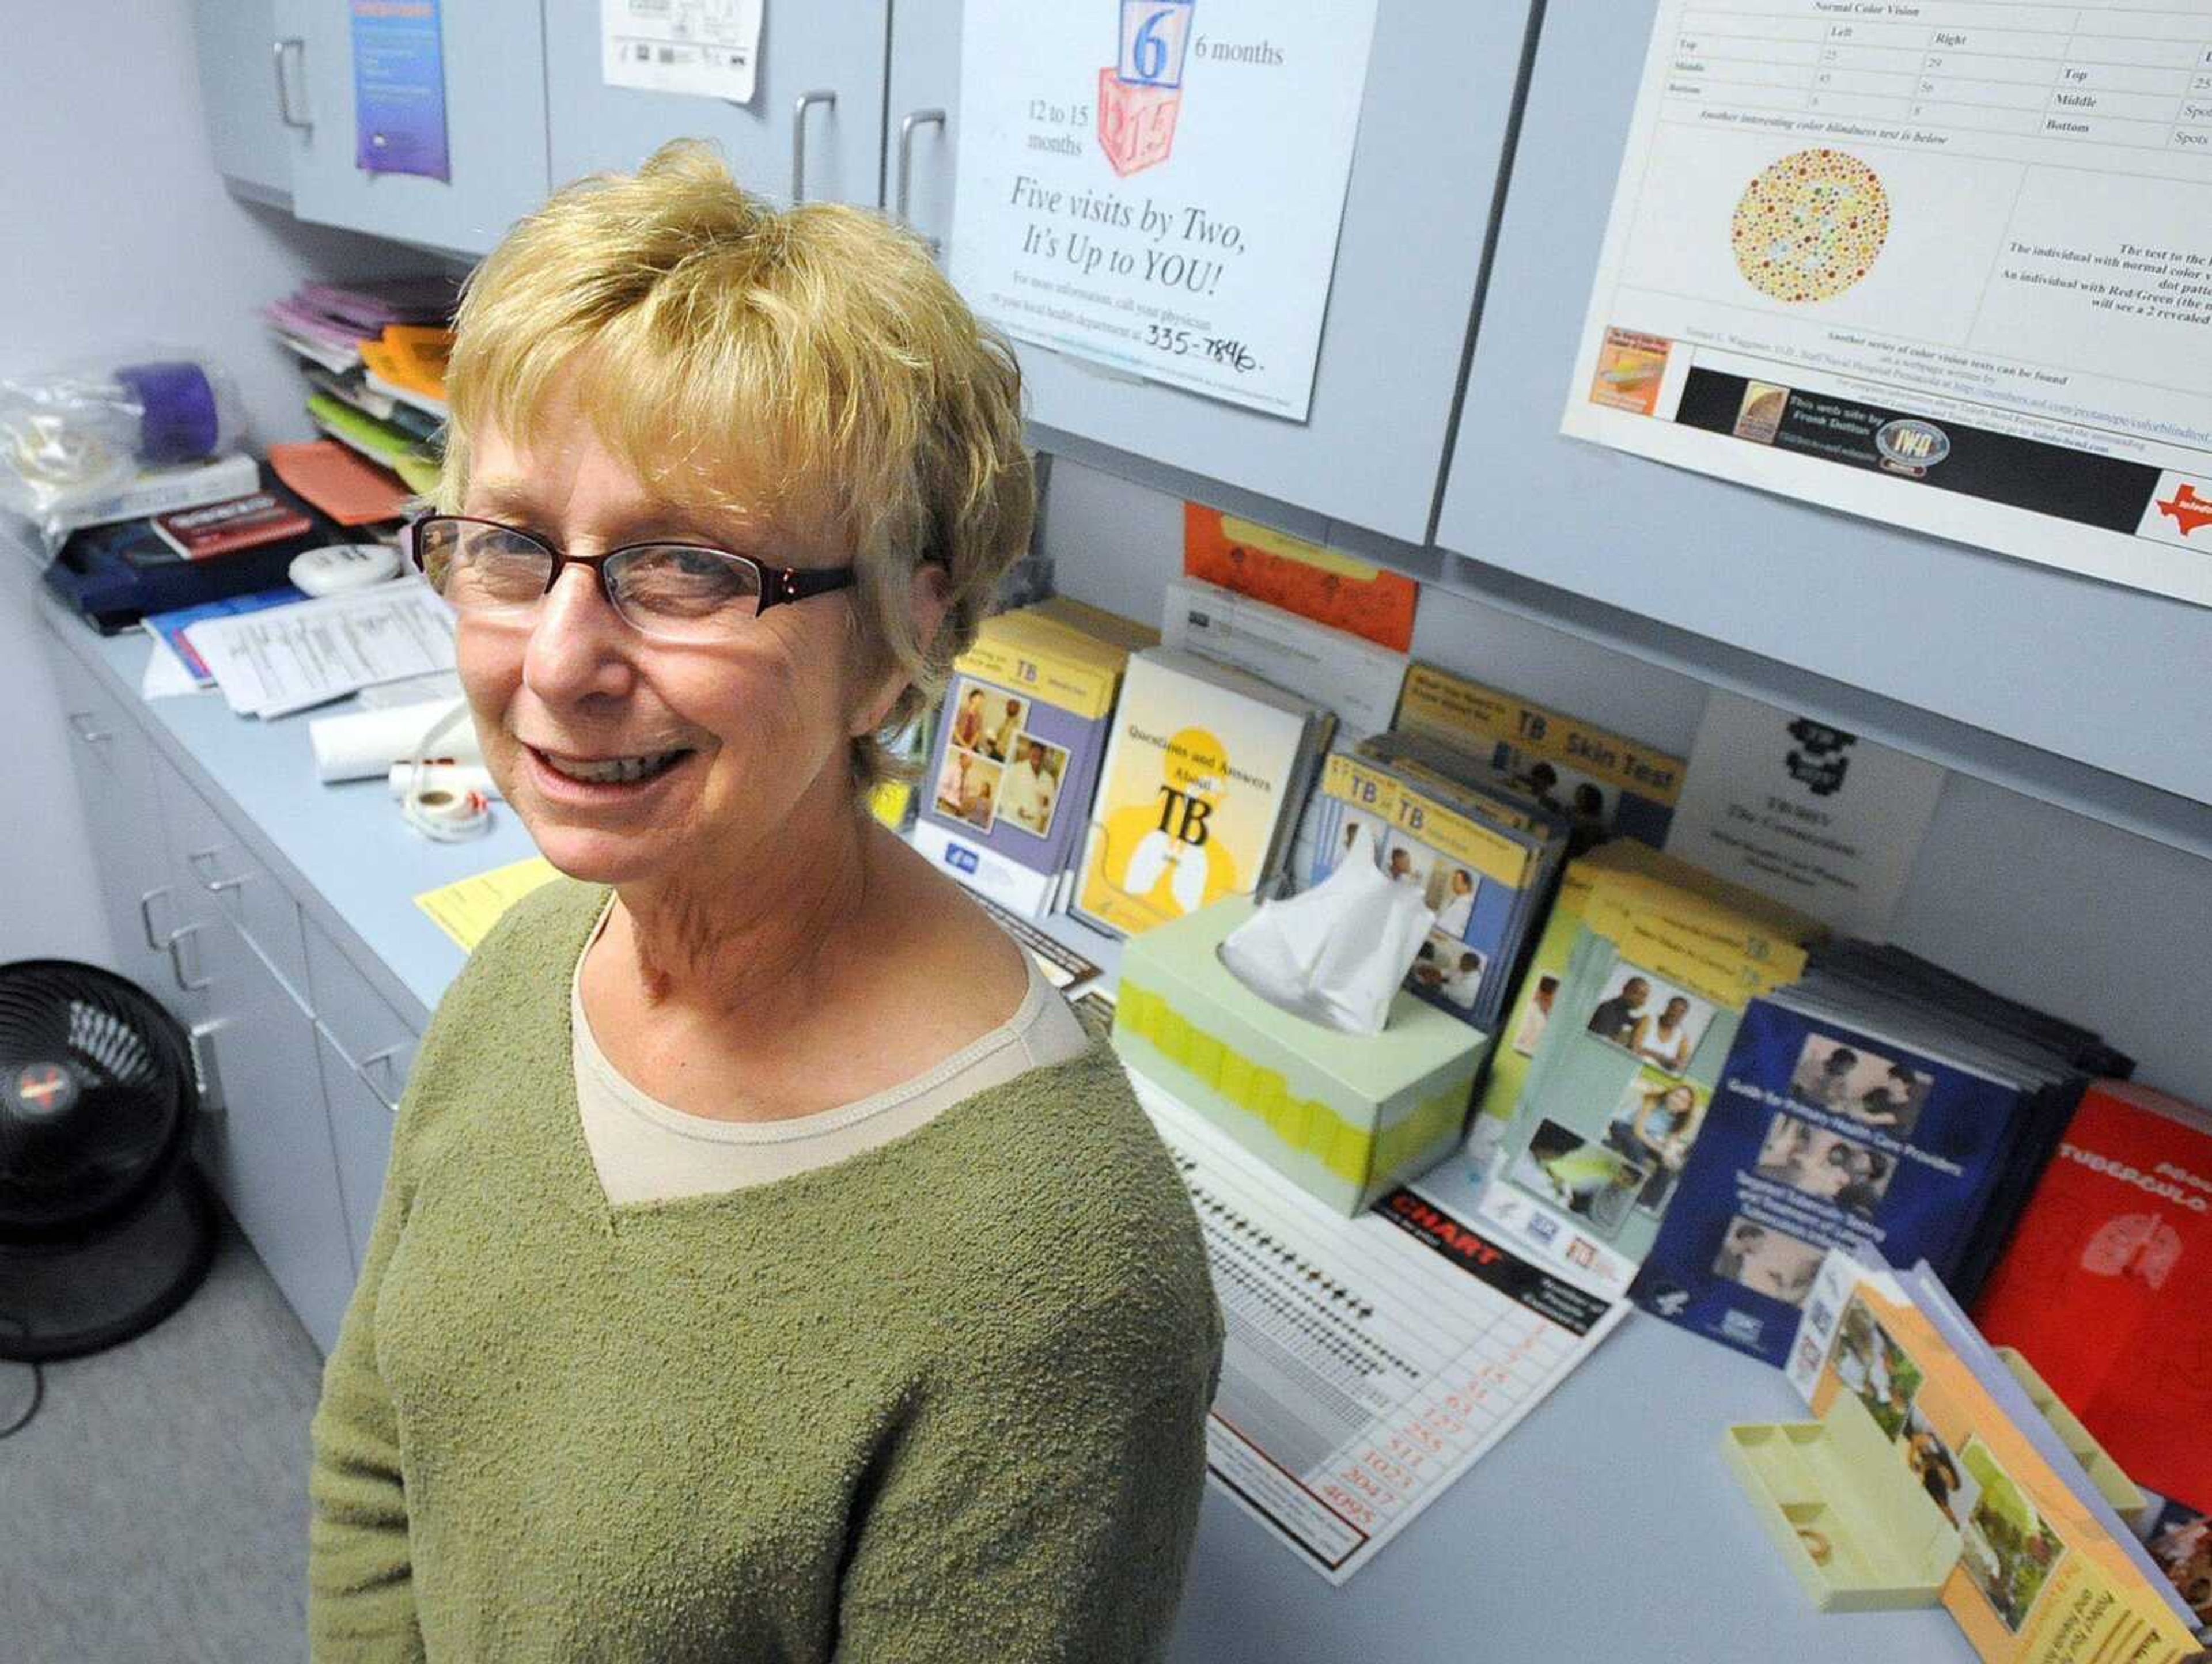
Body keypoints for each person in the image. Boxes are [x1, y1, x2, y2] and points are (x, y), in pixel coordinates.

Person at [310, 142, 1223, 1662]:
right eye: (512, 547)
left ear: (900, 631)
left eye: (682, 569)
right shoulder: (534, 960)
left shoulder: (1058, 1283)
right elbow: (378, 1440)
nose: (555, 663)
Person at [1604, 1081, 1702, 1210]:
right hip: (1625, 1127)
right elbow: (1638, 1130)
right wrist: (1660, 1149)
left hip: (1647, 1137)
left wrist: (1669, 1155)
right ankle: (1619, 1190)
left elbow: (1670, 1143)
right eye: (1676, 1095)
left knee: (1668, 1167)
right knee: (1638, 1153)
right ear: (1669, 1094)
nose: (1677, 1101)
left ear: (1688, 1107)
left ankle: (1647, 1205)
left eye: (1683, 1101)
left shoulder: (1681, 1121)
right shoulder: (1653, 1101)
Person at [997, 738, 1057, 833]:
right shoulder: (1014, 769)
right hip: (1012, 821)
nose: (1037, 757)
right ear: (1029, 752)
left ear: (1044, 755)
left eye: (1040, 755)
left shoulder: (1049, 780)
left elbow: (1049, 810)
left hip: (1032, 828)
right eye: (1035, 753)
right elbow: (1002, 796)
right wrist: (1017, 809)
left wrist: (1046, 805)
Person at [1635, 994, 1696, 1073]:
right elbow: (1635, 1049)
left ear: (1683, 1016)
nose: (1675, 1014)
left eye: (1680, 1012)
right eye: (1673, 1009)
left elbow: (1681, 1067)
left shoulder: (1682, 1038)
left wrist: (1649, 1053)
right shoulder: (1648, 1020)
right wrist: (1662, 1059)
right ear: (1667, 1008)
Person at [1790, 1044, 1858, 1111]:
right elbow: (1797, 1089)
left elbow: (1842, 1103)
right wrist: (1825, 1100)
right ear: (1836, 1062)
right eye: (1847, 1067)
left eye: (1851, 1068)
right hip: (1796, 1105)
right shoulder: (1811, 1065)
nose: (1848, 1071)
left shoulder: (1843, 1081)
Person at [1586, 975, 1649, 1047]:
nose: (1641, 1000)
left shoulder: (1623, 1014)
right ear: (1625, 989)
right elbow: (1600, 1043)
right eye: (1637, 993)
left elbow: (1638, 1025)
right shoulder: (1608, 1009)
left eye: (1644, 996)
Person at [1433, 867, 1475, 937]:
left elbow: (1453, 930)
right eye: (1453, 880)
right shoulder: (1458, 900)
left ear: (1466, 885)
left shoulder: (1465, 905)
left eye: (1456, 880)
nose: (1453, 883)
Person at [985, 695, 1024, 761]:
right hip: (995, 752)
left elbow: (1010, 745)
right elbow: (998, 734)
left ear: (1018, 709)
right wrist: (991, 738)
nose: (1008, 708)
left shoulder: (1017, 725)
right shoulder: (1007, 720)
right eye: (1008, 706)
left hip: (1002, 757)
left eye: (1011, 706)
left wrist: (996, 743)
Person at [950, 685, 986, 752]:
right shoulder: (961, 711)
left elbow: (977, 734)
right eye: (979, 698)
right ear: (972, 698)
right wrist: (964, 745)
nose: (981, 701)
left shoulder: (979, 716)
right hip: (958, 742)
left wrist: (970, 746)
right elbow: (955, 729)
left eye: (982, 699)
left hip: (971, 746)